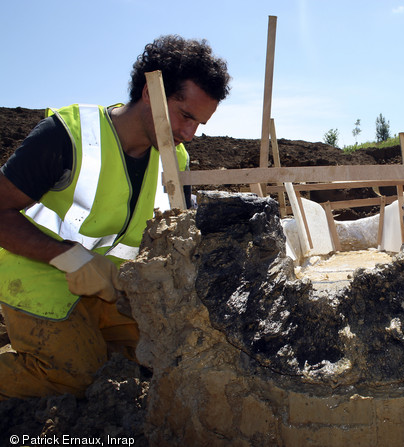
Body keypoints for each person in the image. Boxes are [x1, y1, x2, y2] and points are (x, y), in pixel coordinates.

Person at [0, 35, 231, 400]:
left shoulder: (176, 161)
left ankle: (91, 341)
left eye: (199, 123)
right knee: (77, 378)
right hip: (37, 277)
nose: (189, 134)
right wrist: (68, 256)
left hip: (111, 287)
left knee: (175, 350)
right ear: (149, 94)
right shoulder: (68, 136)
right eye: (185, 116)